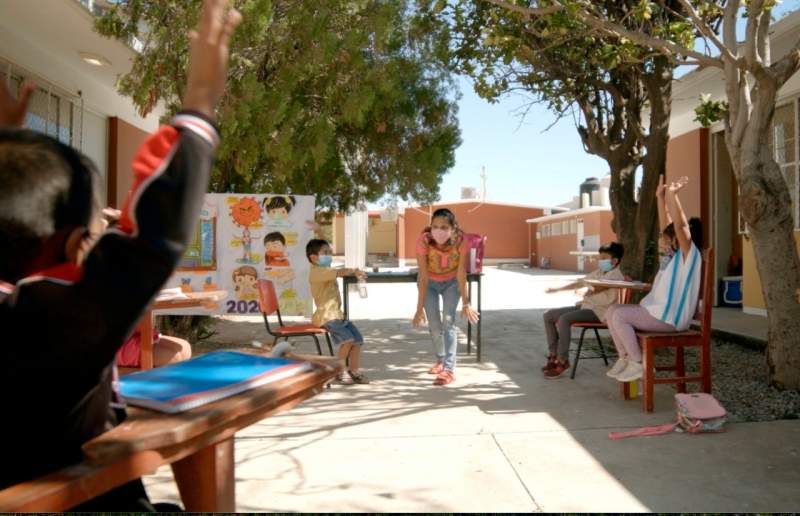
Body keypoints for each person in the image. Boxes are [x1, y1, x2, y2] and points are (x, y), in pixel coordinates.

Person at [0, 0, 241, 510]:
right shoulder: (59, 315)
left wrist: (10, 149)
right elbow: (154, 233)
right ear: (74, 245)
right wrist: (200, 103)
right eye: (97, 226)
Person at [605, 175, 704, 383]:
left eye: (667, 240)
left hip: (671, 318)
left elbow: (680, 227)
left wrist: (674, 196)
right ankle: (625, 358)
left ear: (679, 240)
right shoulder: (670, 257)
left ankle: (637, 363)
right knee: (611, 310)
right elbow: (665, 225)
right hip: (660, 314)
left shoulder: (689, 256)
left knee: (620, 315)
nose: (662, 242)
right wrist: (660, 197)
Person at [413, 208, 479, 386]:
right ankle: (440, 360)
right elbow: (423, 276)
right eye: (435, 226)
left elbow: (461, 273)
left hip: (452, 283)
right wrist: (419, 309)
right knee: (434, 325)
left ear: (453, 227)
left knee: (448, 322)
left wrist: (466, 303)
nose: (438, 231)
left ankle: (449, 370)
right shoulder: (424, 241)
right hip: (429, 283)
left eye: (444, 227)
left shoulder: (461, 241)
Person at [541, 242, 625, 379]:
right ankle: (553, 355)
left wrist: (587, 291)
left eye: (604, 258)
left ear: (615, 261)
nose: (600, 261)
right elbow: (580, 282)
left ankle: (562, 361)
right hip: (586, 306)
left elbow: (597, 288)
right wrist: (557, 289)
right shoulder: (599, 272)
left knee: (564, 319)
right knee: (548, 315)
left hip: (599, 312)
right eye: (600, 257)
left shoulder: (616, 275)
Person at [306, 239, 370, 385]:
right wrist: (354, 270)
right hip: (326, 316)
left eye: (330, 252)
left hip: (337, 315)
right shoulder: (317, 272)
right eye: (325, 253)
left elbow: (338, 271)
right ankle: (338, 371)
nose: (329, 255)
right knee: (348, 340)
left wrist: (354, 273)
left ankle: (354, 371)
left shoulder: (326, 270)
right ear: (314, 258)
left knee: (357, 340)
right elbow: (340, 272)